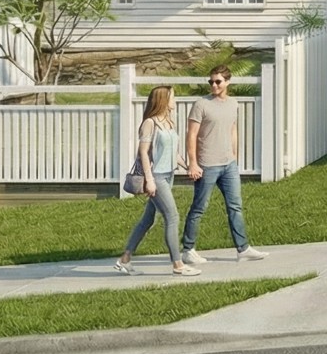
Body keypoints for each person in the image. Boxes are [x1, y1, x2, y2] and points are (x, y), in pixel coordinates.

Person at [181, 64, 269, 263]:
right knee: (199, 207)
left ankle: (243, 248)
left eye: (218, 81)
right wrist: (193, 163)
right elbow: (191, 135)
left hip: (228, 164)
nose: (214, 85)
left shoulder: (233, 103)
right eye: (211, 82)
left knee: (235, 206)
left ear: (227, 82)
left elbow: (233, 130)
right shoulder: (201, 104)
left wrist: (235, 157)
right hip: (207, 164)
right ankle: (188, 250)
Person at [113, 86, 200, 276]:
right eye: (172, 97)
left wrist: (188, 167)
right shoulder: (150, 123)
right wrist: (150, 180)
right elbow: (143, 152)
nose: (175, 100)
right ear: (163, 100)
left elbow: (173, 152)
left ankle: (124, 259)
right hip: (156, 177)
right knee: (173, 217)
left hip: (169, 175)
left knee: (147, 220)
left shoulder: (169, 122)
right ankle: (178, 264)